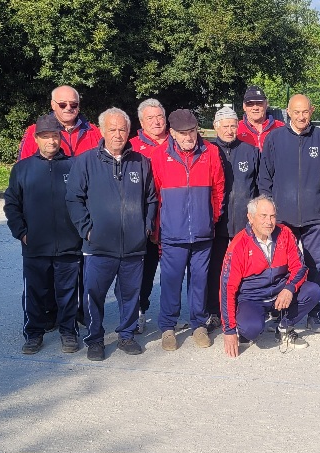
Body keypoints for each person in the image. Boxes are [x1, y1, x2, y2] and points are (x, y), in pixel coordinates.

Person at [66, 107, 158, 361]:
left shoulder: (140, 162)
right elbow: (74, 199)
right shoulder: (85, 162)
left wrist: (146, 226)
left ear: (129, 131)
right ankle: (95, 338)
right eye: (112, 129)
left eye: (122, 129)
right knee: (93, 294)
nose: (117, 134)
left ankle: (126, 335)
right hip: (98, 246)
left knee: (130, 295)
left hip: (133, 246)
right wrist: (87, 231)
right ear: (103, 131)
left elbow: (151, 198)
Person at [258, 94, 320, 333]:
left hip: (315, 216)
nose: (301, 116)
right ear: (288, 112)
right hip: (281, 217)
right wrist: (267, 213)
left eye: (305, 112)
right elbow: (264, 179)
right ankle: (280, 310)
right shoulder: (274, 139)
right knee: (281, 265)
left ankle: (312, 313)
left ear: (312, 111)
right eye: (296, 112)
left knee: (313, 264)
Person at [4, 115, 82, 355]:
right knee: (35, 292)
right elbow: (11, 204)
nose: (51, 141)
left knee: (68, 293)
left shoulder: (74, 166)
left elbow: (85, 200)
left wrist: (82, 230)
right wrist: (22, 233)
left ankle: (69, 332)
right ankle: (33, 333)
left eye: (56, 136)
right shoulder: (23, 169)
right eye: (46, 136)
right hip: (35, 244)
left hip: (69, 244)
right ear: (36, 139)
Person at [151, 109, 225, 352]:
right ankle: (168, 327)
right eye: (182, 133)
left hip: (203, 233)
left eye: (192, 131)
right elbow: (155, 195)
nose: (188, 137)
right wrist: (160, 227)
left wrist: (209, 219)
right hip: (173, 234)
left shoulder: (211, 152)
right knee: (171, 281)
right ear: (172, 133)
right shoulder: (160, 155)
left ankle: (198, 324)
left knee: (200, 282)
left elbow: (218, 189)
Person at [220, 196, 320, 357]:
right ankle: (248, 323)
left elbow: (300, 267)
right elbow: (227, 289)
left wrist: (289, 288)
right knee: (251, 329)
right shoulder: (239, 244)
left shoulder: (285, 234)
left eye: (272, 216)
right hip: (253, 297)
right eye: (263, 216)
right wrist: (229, 330)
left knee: (313, 291)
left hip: (280, 294)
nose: (269, 221)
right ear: (250, 217)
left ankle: (283, 326)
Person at [207, 106, 259, 332]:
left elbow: (259, 186)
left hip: (243, 222)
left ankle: (242, 308)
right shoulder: (208, 151)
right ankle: (214, 311)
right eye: (224, 126)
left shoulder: (250, 151)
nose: (229, 130)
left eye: (232, 125)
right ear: (215, 126)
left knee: (244, 268)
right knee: (216, 268)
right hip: (217, 221)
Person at [128, 98, 169, 334]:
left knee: (173, 273)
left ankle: (169, 316)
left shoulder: (176, 141)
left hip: (173, 219)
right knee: (143, 271)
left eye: (159, 117)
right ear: (141, 122)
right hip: (144, 220)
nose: (156, 122)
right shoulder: (132, 146)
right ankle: (139, 311)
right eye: (150, 118)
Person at [17, 85, 102, 160]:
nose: (68, 108)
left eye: (73, 104)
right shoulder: (36, 131)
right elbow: (23, 168)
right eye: (62, 104)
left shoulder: (93, 131)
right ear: (53, 105)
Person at [237, 86, 284, 151]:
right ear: (244, 107)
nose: (255, 108)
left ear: (266, 104)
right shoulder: (236, 129)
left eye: (259, 103)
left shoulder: (280, 127)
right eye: (250, 104)